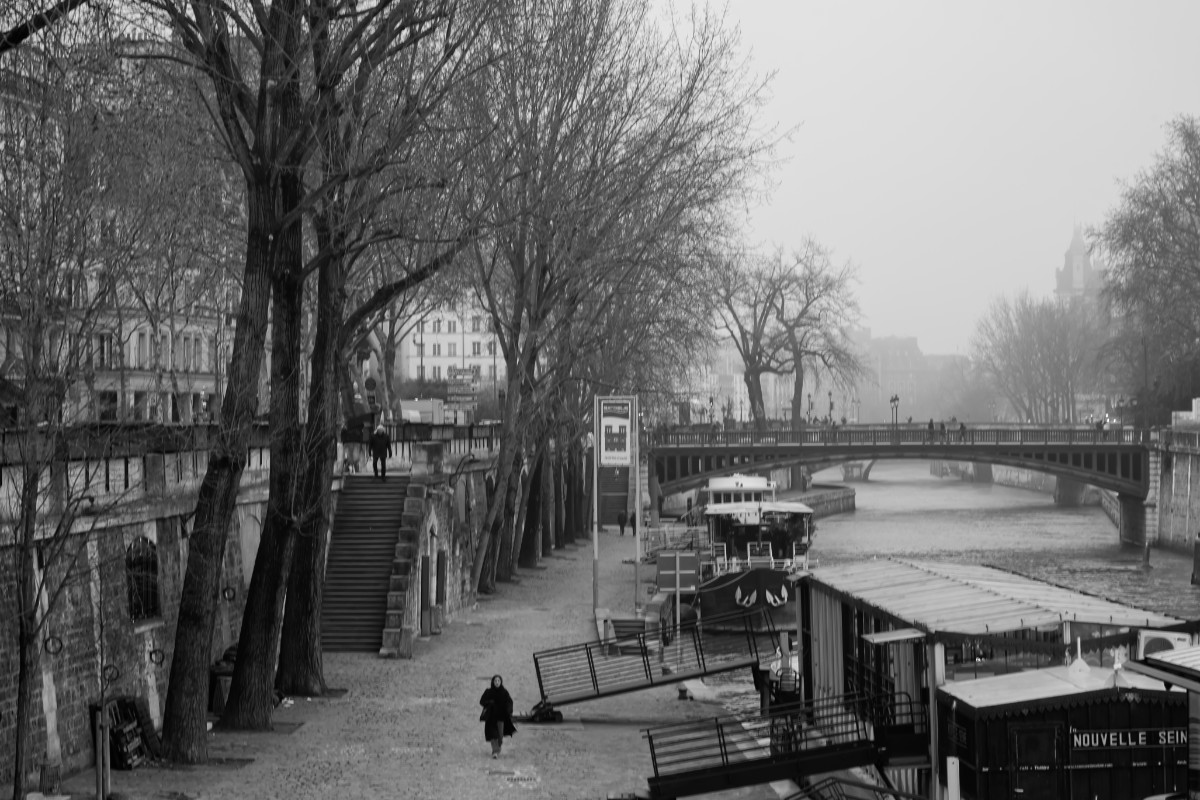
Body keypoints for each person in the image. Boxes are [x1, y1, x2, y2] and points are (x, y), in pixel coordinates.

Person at [479, 674, 516, 758]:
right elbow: (481, 701)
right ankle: (495, 751)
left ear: (501, 682)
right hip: (491, 717)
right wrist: (489, 702)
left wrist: (509, 710)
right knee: (493, 735)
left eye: (498, 681)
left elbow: (509, 702)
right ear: (493, 682)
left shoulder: (504, 692)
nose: (497, 682)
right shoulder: (488, 692)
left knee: (500, 735)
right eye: (495, 681)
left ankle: (498, 747)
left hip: (501, 717)